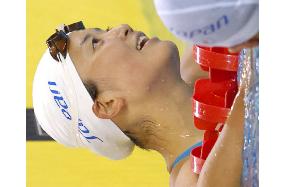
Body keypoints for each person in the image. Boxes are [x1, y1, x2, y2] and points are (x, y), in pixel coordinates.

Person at [33, 22, 246, 187]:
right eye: (96, 43)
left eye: (105, 30)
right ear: (107, 104)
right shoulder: (195, 179)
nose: (121, 28)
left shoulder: (205, 60)